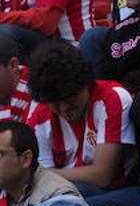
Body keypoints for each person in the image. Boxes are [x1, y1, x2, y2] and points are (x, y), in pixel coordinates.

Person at [24, 41, 133, 194]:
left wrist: (47, 175)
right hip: (66, 189)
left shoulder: (112, 98)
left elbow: (103, 176)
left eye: (70, 99)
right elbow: (41, 182)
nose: (64, 109)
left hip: (115, 191)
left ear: (85, 83)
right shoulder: (40, 115)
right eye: (55, 103)